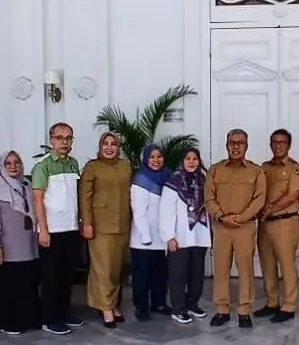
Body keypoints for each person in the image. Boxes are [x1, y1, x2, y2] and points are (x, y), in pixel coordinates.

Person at [205, 129, 266, 328]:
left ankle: (244, 310)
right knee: (221, 269)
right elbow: (209, 197)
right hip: (221, 227)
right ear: (226, 145)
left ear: (246, 146)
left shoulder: (256, 171)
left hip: (244, 227)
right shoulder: (215, 170)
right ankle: (222, 309)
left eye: (240, 143)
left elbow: (259, 199)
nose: (236, 146)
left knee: (245, 270)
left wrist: (241, 217)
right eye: (232, 142)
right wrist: (222, 217)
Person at [32, 122, 85, 335]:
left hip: (70, 228)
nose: (64, 142)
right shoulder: (43, 166)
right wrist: (43, 229)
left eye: (68, 138)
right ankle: (49, 318)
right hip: (51, 230)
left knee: (66, 274)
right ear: (52, 140)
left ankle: (64, 313)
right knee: (51, 276)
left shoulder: (73, 163)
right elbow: (37, 199)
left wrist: (80, 221)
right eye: (60, 138)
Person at [0, 150, 41, 335]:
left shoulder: (26, 184)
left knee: (27, 284)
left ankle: (28, 319)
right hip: (7, 245)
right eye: (8, 163)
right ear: (2, 166)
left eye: (17, 162)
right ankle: (9, 322)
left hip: (27, 243)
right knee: (9, 286)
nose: (13, 166)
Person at [80, 132, 133, 327]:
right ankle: (106, 308)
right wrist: (87, 223)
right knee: (103, 269)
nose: (110, 147)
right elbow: (84, 197)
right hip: (100, 225)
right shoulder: (92, 167)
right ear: (100, 146)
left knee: (116, 269)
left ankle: (112, 303)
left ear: (118, 147)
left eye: (113, 144)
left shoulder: (125, 166)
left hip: (123, 224)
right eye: (106, 144)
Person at [256, 129, 299, 323]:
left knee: (286, 264)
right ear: (270, 144)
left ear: (289, 145)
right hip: (265, 223)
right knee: (267, 264)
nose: (278, 145)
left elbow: (293, 195)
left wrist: (269, 210)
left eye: (282, 142)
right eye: (275, 142)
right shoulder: (264, 167)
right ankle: (272, 302)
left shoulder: (294, 168)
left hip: (286, 221)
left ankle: (289, 305)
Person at [160, 147, 211, 324]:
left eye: (195, 159)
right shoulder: (173, 182)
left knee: (197, 273)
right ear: (182, 161)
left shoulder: (204, 181)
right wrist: (169, 237)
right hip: (180, 237)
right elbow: (165, 212)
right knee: (178, 274)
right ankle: (178, 308)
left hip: (199, 234)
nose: (191, 162)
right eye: (188, 158)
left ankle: (192, 304)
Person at [130, 143, 171, 323]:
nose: (156, 160)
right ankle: (141, 307)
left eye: (159, 156)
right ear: (146, 159)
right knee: (142, 276)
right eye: (152, 157)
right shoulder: (141, 180)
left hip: (161, 238)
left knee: (160, 274)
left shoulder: (167, 177)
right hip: (143, 240)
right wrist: (146, 236)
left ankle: (158, 303)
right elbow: (139, 212)